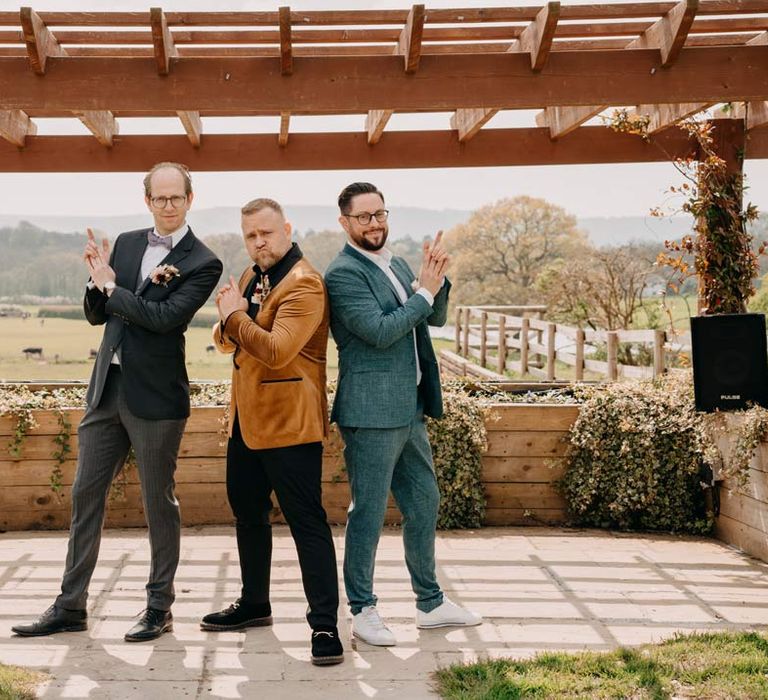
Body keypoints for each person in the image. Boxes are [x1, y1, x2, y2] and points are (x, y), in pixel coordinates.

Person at [12, 162, 223, 642]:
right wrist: (94, 281)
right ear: (146, 200)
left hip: (156, 398)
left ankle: (158, 607)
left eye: (176, 197)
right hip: (106, 388)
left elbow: (164, 317)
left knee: (157, 503)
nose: (167, 206)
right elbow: (97, 315)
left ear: (191, 199)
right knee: (85, 494)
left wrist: (111, 285)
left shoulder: (203, 260)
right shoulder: (128, 243)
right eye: (158, 198)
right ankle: (70, 606)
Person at [324, 182, 482, 647]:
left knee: (424, 501)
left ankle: (430, 603)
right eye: (363, 217)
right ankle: (362, 609)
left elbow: (430, 317)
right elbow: (379, 330)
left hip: (408, 406)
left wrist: (438, 281)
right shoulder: (342, 273)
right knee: (369, 514)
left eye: (379, 214)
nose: (374, 224)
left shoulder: (393, 260)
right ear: (345, 223)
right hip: (371, 411)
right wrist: (425, 292)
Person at [201, 198, 343, 666]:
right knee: (248, 515)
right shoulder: (248, 276)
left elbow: (278, 351)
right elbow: (225, 342)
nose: (258, 243)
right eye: (250, 236)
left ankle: (324, 625)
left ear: (285, 229)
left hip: (291, 424)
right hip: (245, 420)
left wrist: (233, 316)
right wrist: (232, 318)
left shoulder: (306, 284)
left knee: (307, 523)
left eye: (265, 233)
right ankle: (255, 604)